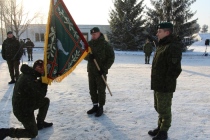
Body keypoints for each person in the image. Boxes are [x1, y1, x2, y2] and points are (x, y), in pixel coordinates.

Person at [0, 60, 53, 139]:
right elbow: (40, 94)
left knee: (45, 101)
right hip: (22, 111)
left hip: (27, 104)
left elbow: (34, 88)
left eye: (43, 68)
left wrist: (41, 81)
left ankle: (40, 123)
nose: (41, 70)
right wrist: (44, 82)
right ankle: (6, 132)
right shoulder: (29, 79)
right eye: (39, 67)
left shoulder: (28, 74)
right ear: (35, 67)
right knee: (33, 133)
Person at [149, 22, 182, 140]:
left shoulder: (172, 46)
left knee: (164, 109)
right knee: (158, 107)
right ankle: (160, 127)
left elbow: (175, 69)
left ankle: (164, 132)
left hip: (165, 85)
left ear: (167, 32)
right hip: (158, 84)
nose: (157, 33)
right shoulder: (162, 45)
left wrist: (166, 83)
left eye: (159, 31)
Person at [85, 27, 115, 117]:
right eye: (92, 34)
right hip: (91, 70)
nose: (93, 36)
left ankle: (101, 107)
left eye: (94, 34)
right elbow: (83, 55)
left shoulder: (105, 45)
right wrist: (88, 57)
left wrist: (104, 68)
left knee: (101, 90)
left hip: (101, 71)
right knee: (92, 89)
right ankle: (95, 106)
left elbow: (111, 58)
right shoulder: (89, 44)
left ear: (99, 33)